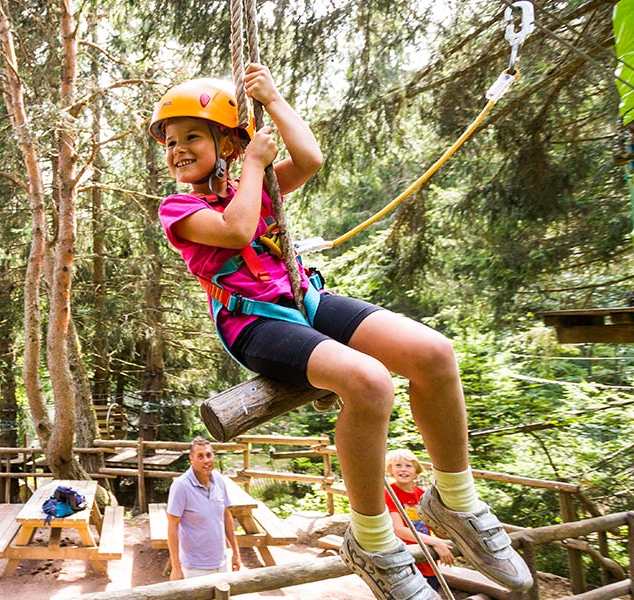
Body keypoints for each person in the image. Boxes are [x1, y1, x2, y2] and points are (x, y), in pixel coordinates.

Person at [151, 64, 531, 600]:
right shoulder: (179, 206)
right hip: (254, 323)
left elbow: (309, 159)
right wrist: (256, 163)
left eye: (193, 136)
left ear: (227, 143)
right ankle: (374, 541)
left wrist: (275, 101)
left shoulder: (255, 184)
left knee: (434, 353)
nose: (178, 149)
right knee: (371, 382)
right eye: (171, 141)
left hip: (304, 298)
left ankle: (457, 499)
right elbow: (236, 230)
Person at [165, 437, 243, 579]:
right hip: (194, 567)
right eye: (200, 456)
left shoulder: (219, 480)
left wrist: (236, 553)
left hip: (221, 563)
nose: (206, 460)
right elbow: (172, 526)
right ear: (191, 459)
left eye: (209, 455)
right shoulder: (181, 486)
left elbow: (226, 516)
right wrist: (176, 568)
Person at [385, 449, 456, 591]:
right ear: (390, 470)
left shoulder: (423, 495)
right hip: (405, 562)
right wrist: (436, 542)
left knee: (432, 591)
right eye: (398, 465)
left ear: (416, 471)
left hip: (428, 561)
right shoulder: (389, 493)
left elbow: (435, 526)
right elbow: (398, 529)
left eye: (408, 466)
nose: (403, 469)